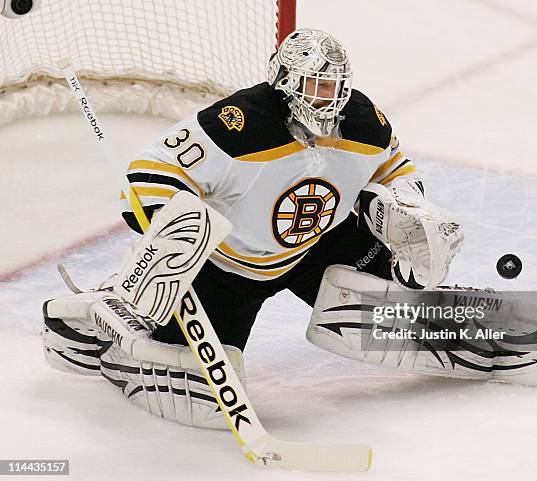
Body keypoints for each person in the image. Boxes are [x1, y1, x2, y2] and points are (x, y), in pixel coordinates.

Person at [42, 28, 477, 429]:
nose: (328, 98)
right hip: (228, 271)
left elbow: (393, 169)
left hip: (317, 249)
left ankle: (420, 295)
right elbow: (150, 172)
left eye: (334, 87)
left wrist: (406, 208)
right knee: (197, 393)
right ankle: (98, 329)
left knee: (396, 296)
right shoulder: (239, 123)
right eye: (316, 86)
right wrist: (170, 226)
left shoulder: (364, 121)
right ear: (285, 80)